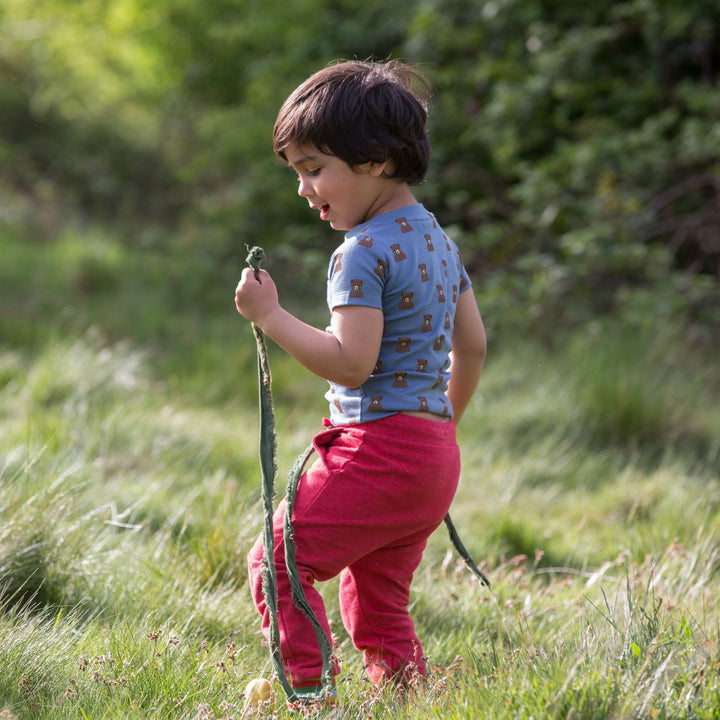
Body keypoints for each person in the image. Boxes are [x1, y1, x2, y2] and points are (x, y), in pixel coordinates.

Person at [234, 59, 486, 711]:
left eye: (313, 168)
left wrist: (271, 316)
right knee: (378, 603)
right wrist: (442, 424)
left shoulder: (363, 251)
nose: (302, 188)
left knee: (279, 562)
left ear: (374, 159)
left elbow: (351, 363)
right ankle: (404, 700)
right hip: (433, 457)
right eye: (296, 171)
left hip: (377, 453)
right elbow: (474, 344)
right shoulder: (437, 240)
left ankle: (310, 692)